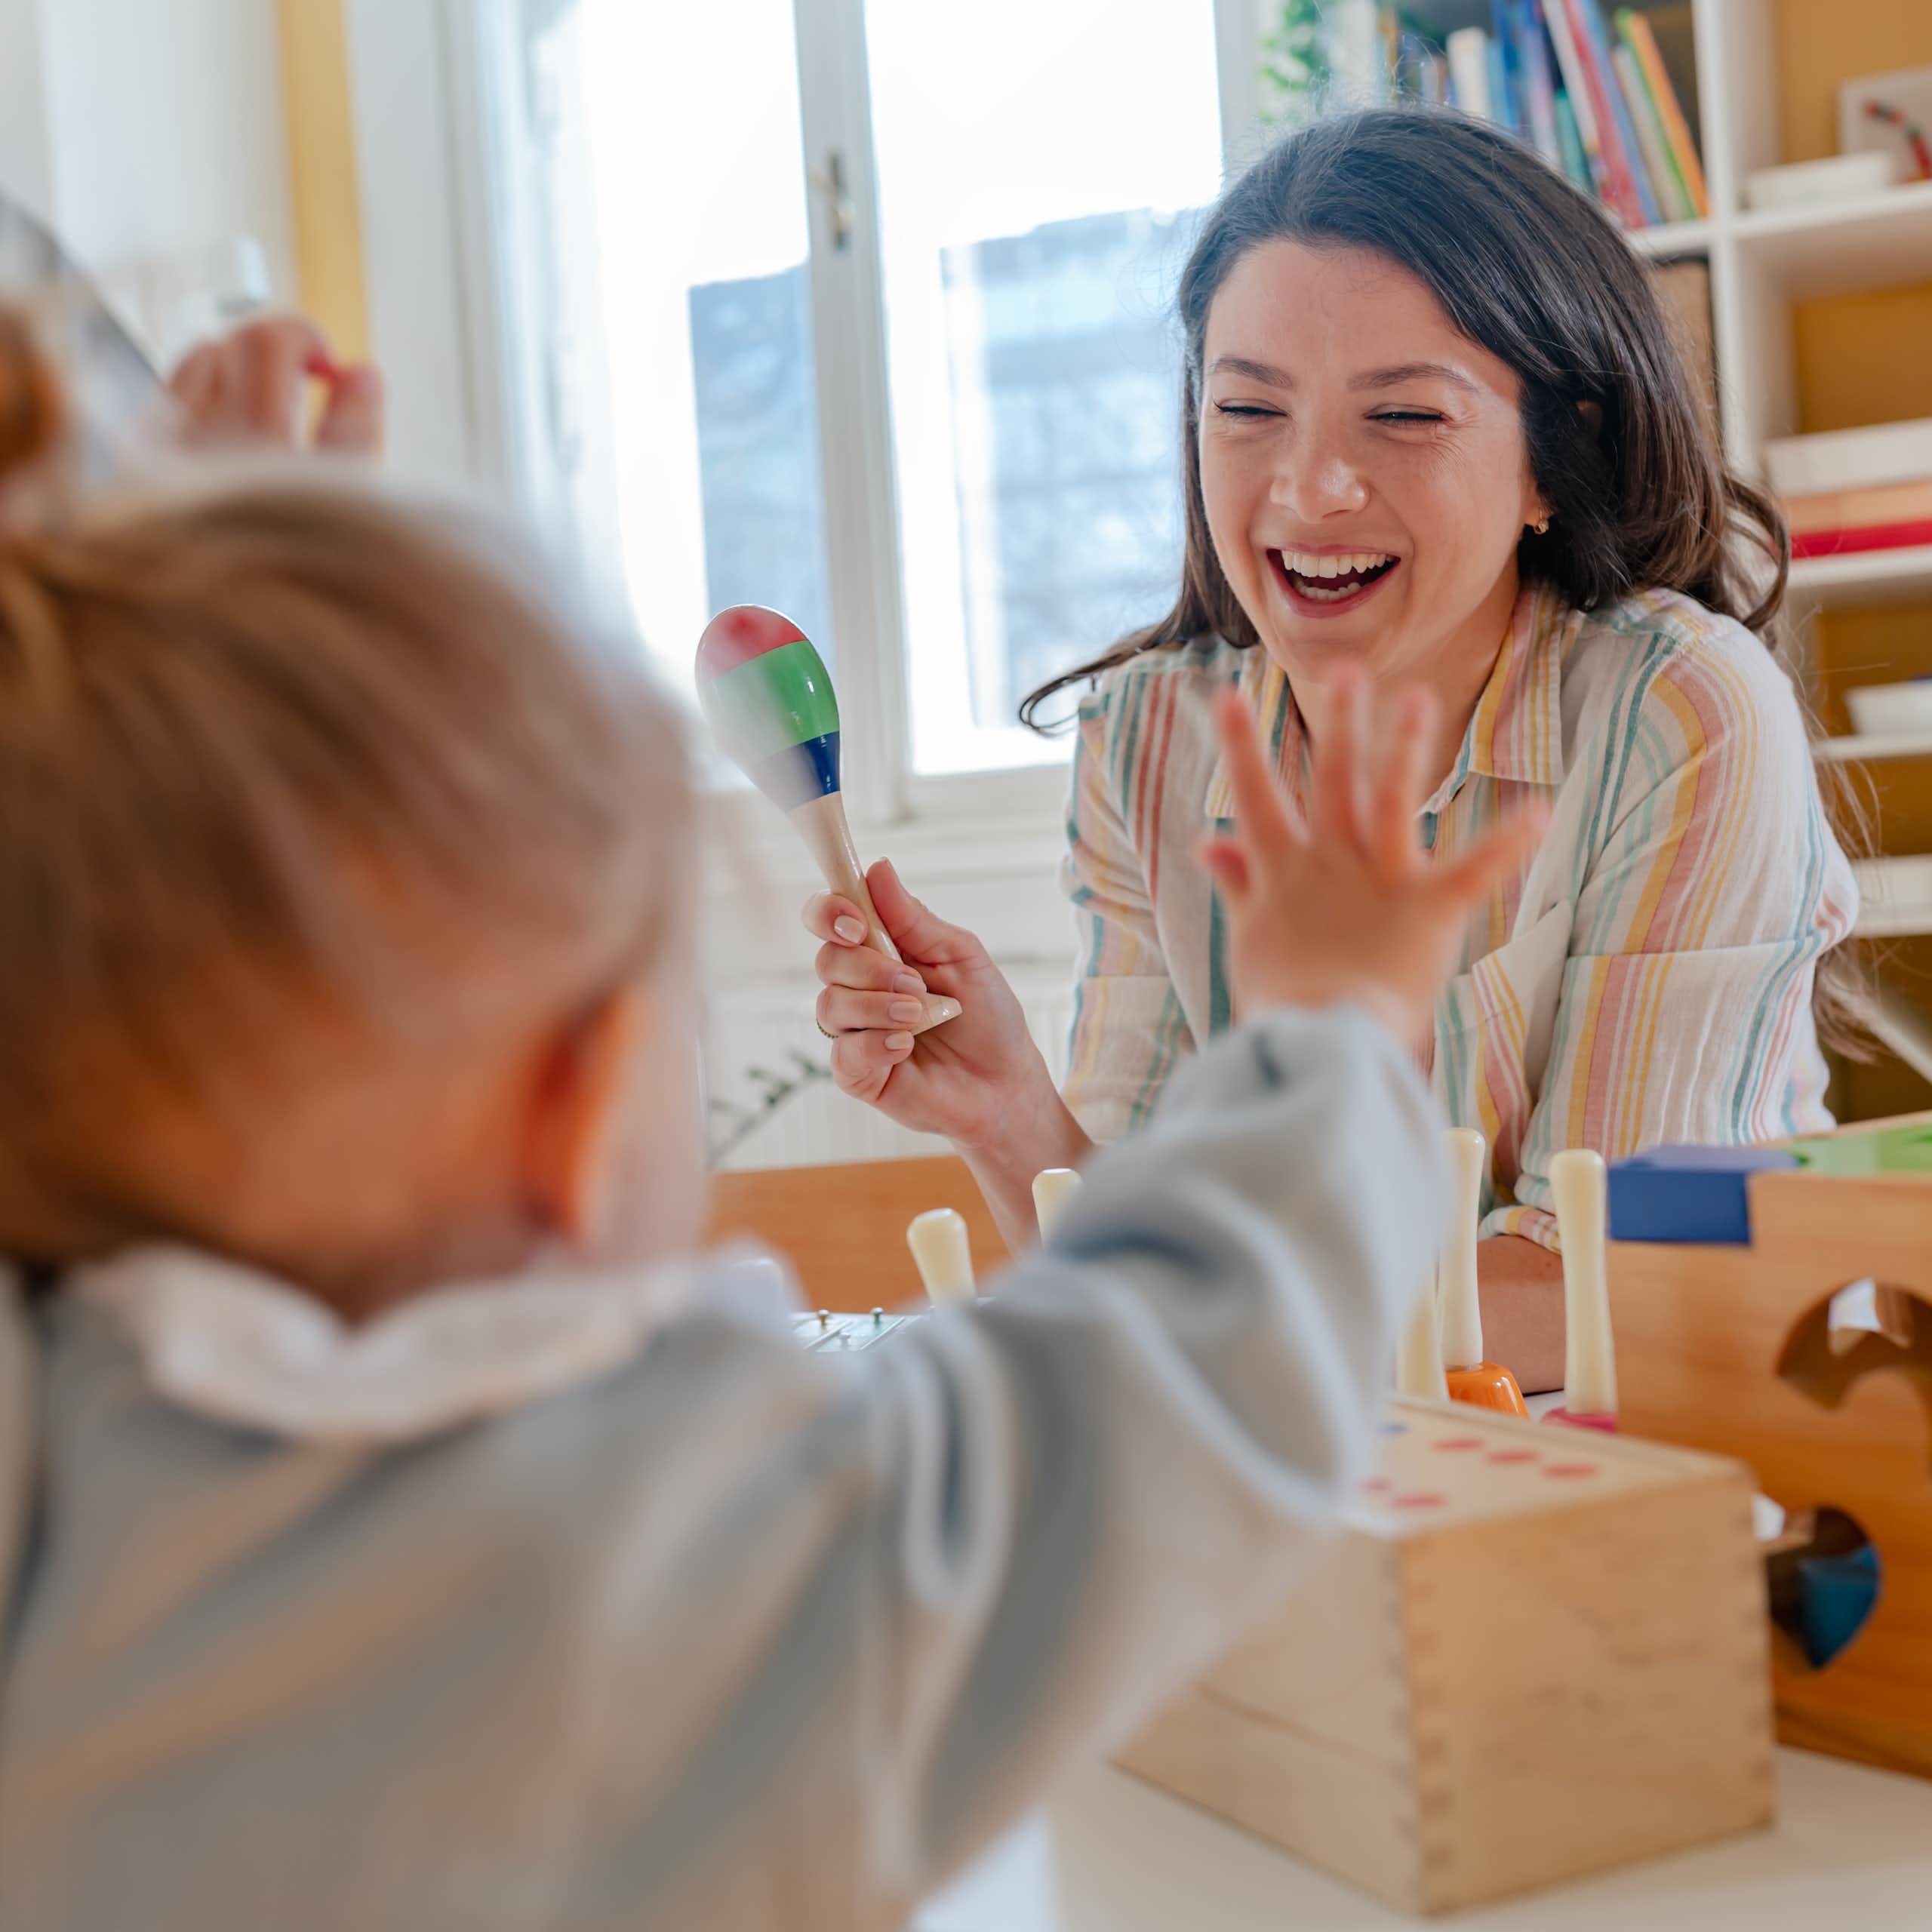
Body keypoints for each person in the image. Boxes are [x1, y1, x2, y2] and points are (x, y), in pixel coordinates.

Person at [0, 313, 1540, 1930]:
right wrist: (1331, 1021)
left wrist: (192, 708)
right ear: (583, 1104)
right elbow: (1189, 1364)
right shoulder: (715, 1551)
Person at [806, 108, 1860, 1392]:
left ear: (1554, 458)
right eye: (1249, 407)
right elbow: (1130, 1254)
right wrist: (1009, 1111)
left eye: (1404, 417)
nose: (1310, 490)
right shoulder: (1149, 741)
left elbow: (1610, 1282)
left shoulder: (1682, 713)